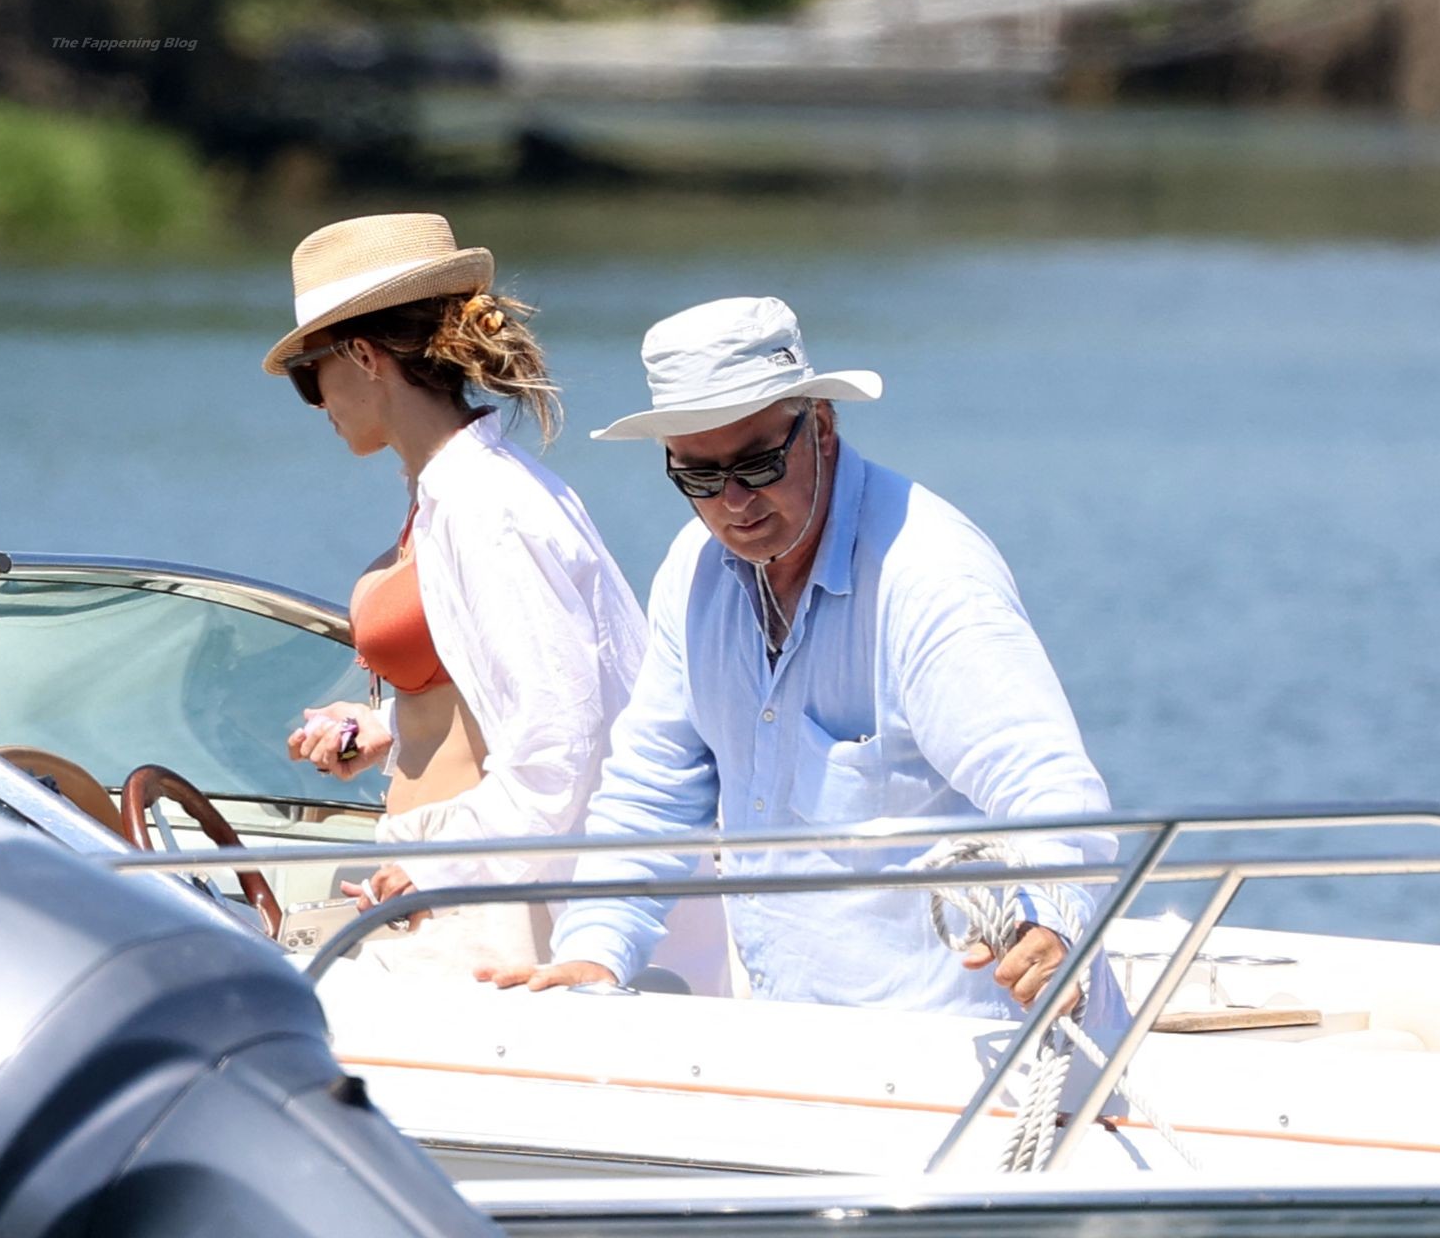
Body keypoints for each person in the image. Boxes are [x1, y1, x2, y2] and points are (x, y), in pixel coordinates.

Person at [478, 295, 1126, 1025]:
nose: (733, 503)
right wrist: (595, 950)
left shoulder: (929, 574)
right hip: (800, 1037)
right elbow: (651, 790)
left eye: (756, 465)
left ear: (820, 426)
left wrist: (1054, 918)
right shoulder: (692, 572)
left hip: (977, 1038)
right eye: (698, 477)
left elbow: (1046, 783)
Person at [263, 212, 647, 975]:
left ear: (364, 355)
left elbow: (559, 743)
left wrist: (441, 867)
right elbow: (488, 694)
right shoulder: (449, 493)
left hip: (494, 911)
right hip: (453, 884)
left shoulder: (488, 509)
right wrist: (385, 726)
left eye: (310, 374)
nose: (316, 404)